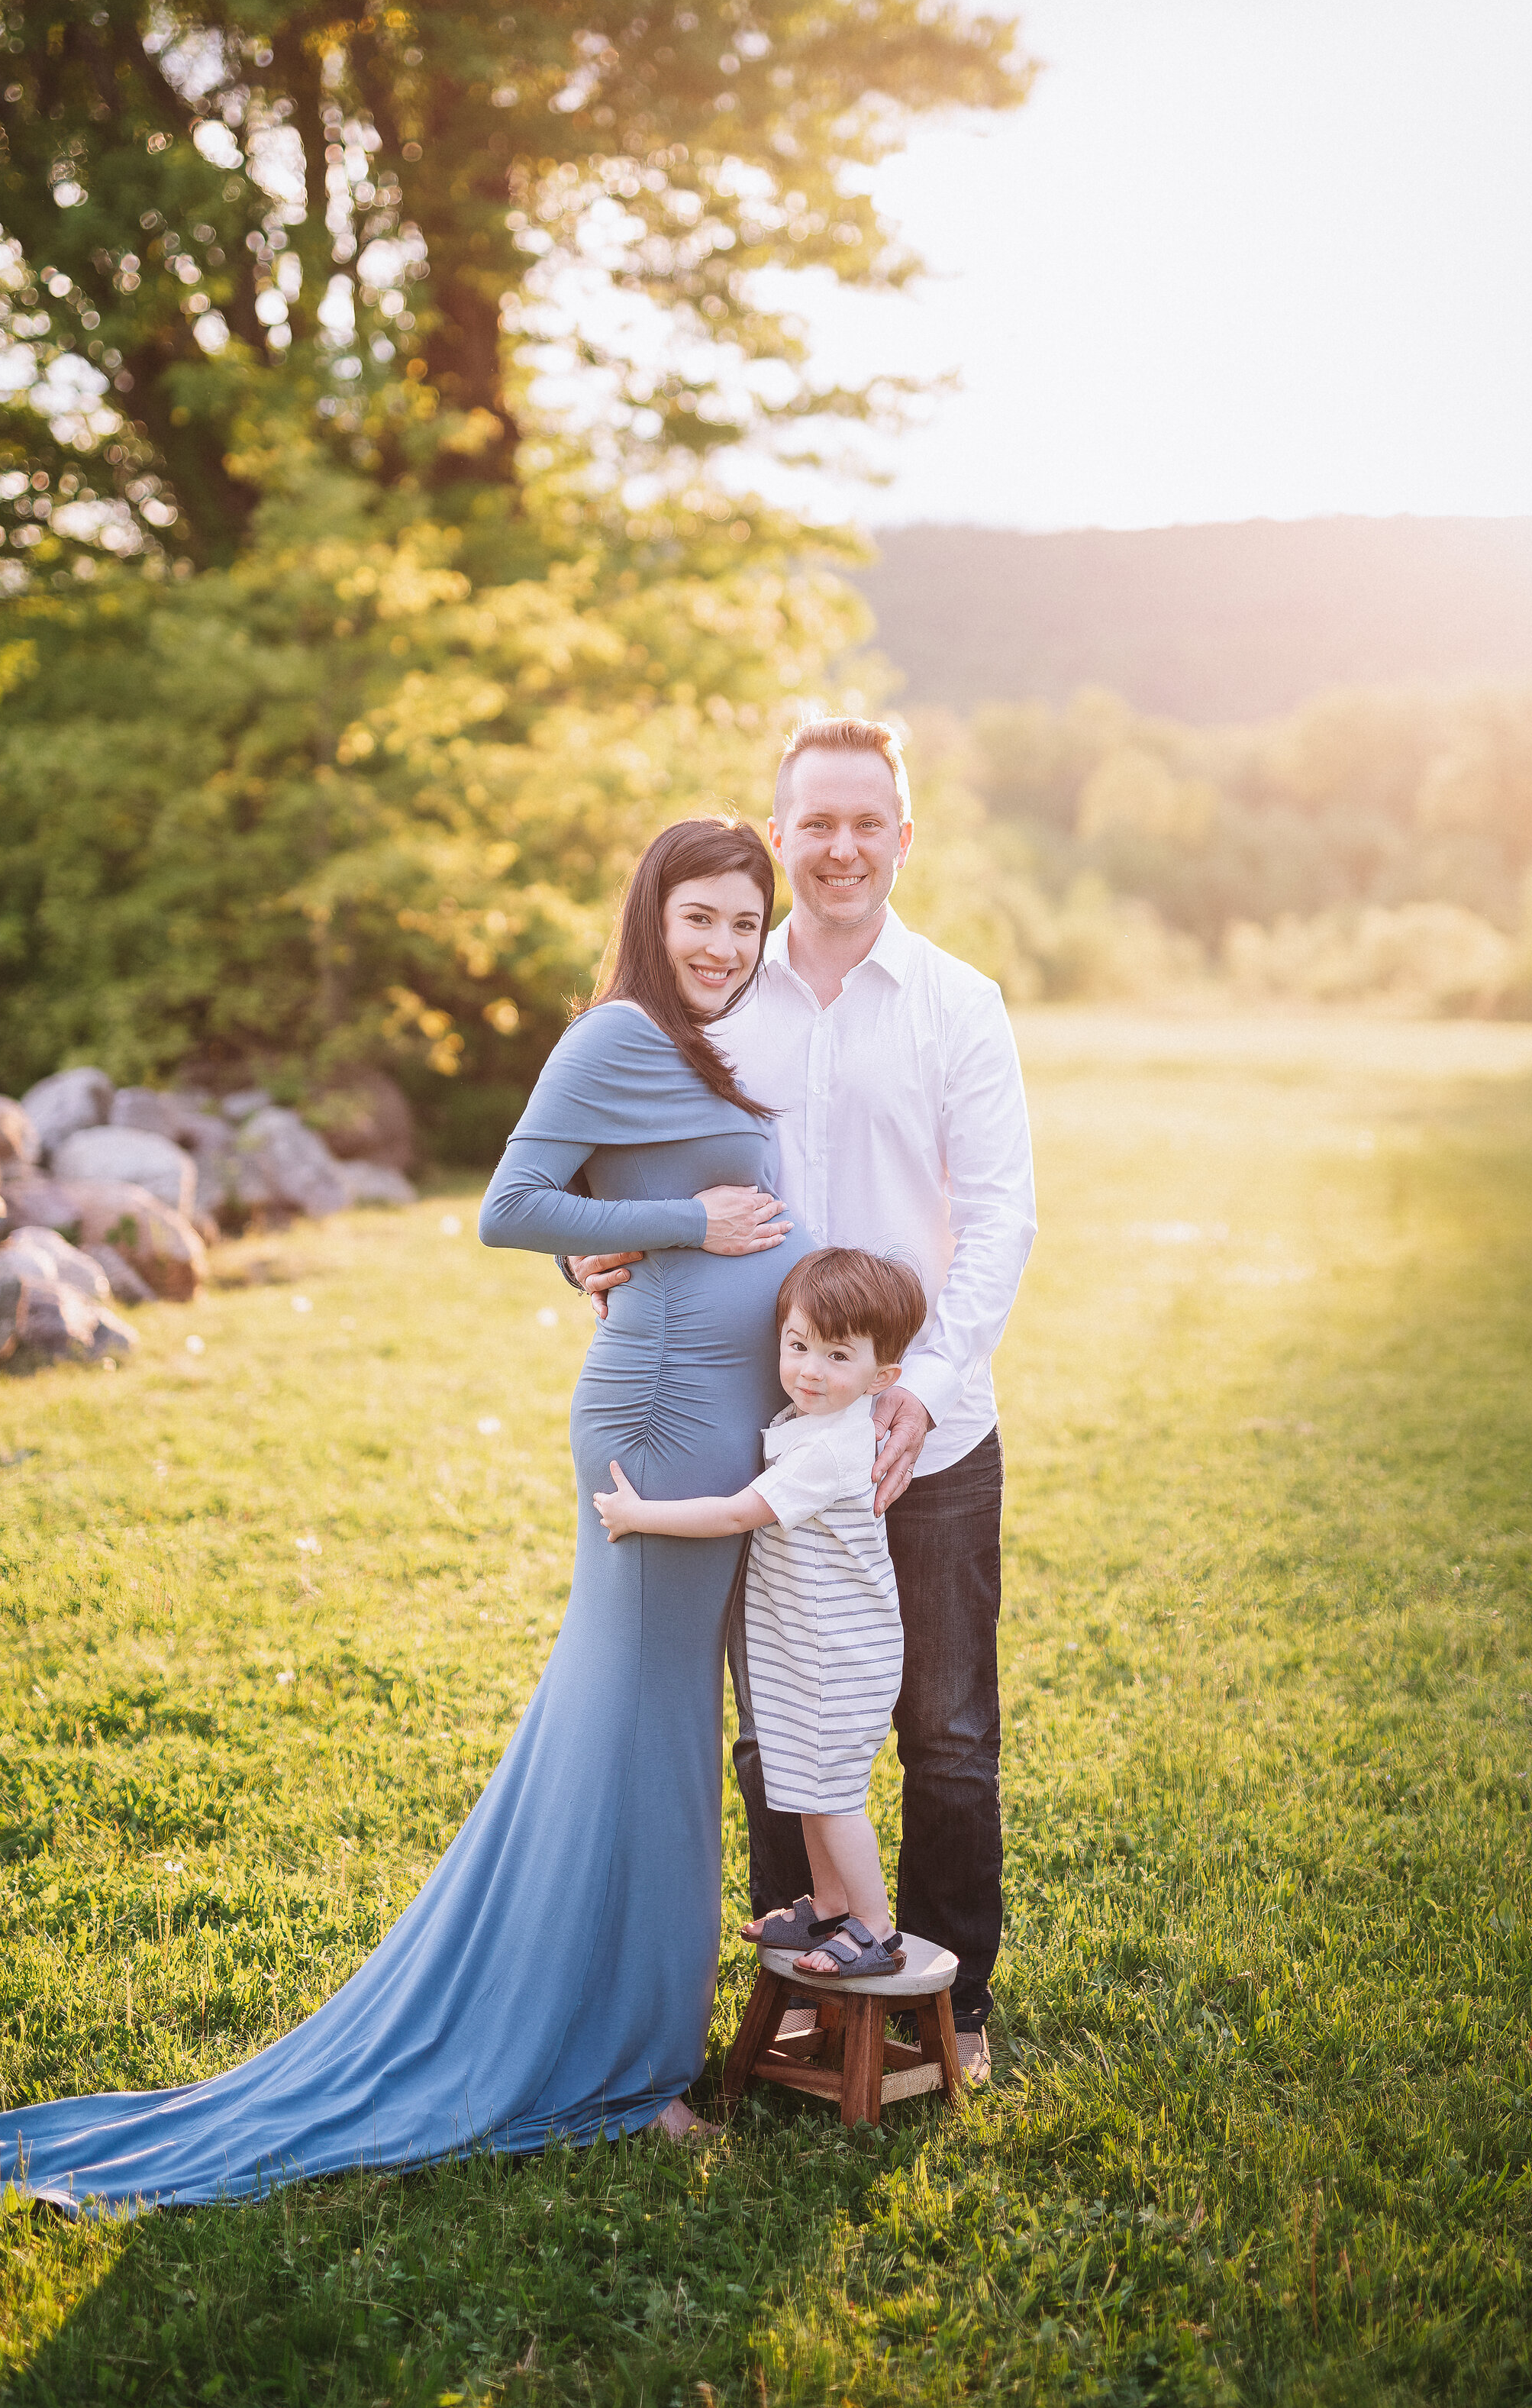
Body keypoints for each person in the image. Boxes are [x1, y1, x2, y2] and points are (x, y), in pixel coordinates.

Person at [0, 818, 802, 2211]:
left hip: (704, 1409)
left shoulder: (706, 1042)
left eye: (745, 920)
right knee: (643, 1731)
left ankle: (616, 2040)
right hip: (662, 1419)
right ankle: (627, 2071)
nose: (724, 944)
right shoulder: (616, 1034)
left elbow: (597, 1208)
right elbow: (506, 1209)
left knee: (638, 1724)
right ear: (652, 916)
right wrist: (687, 1228)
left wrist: (645, 1229)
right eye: (702, 917)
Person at [569, 718, 1038, 2081]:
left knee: (946, 1730)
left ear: (905, 836)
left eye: (867, 822)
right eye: (815, 823)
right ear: (782, 838)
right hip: (754, 1430)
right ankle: (812, 1993)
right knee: (778, 1718)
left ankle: (962, 2004)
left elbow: (1001, 1216)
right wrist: (590, 1242)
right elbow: (616, 1170)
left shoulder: (959, 1002)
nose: (841, 847)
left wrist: (927, 1387)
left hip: (925, 1434)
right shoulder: (715, 995)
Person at [593, 1245, 927, 1982]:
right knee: (809, 1786)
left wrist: (640, 1514)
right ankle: (830, 1903)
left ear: (883, 1379)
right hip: (811, 1648)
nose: (811, 1368)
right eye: (798, 1345)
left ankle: (875, 1925)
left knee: (834, 1796)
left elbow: (739, 1513)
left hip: (839, 1654)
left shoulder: (836, 1446)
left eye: (838, 1356)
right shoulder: (811, 1418)